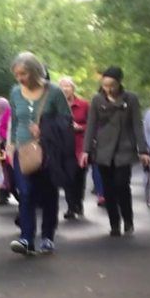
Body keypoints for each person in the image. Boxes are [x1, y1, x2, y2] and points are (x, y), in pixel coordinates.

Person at [7, 52, 73, 256]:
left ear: (35, 72)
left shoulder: (54, 92)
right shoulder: (15, 92)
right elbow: (15, 120)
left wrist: (45, 128)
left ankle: (47, 236)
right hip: (23, 151)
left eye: (24, 74)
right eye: (17, 74)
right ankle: (26, 238)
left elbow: (67, 121)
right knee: (25, 192)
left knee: (48, 194)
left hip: (48, 151)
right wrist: (11, 144)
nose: (20, 78)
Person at [81, 67, 150, 236]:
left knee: (122, 185)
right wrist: (86, 150)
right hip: (103, 150)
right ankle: (114, 223)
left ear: (119, 83)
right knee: (108, 188)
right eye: (105, 85)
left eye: (112, 85)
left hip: (124, 148)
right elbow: (91, 126)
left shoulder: (130, 99)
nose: (108, 89)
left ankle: (128, 219)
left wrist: (143, 150)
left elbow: (137, 125)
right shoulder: (97, 100)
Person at [59, 77, 90, 219]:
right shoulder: (56, 106)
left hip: (80, 147)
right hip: (63, 146)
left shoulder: (84, 105)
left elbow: (94, 125)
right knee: (67, 177)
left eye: (68, 86)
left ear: (73, 88)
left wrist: (80, 127)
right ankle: (71, 206)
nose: (65, 89)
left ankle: (78, 202)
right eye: (62, 87)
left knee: (79, 177)